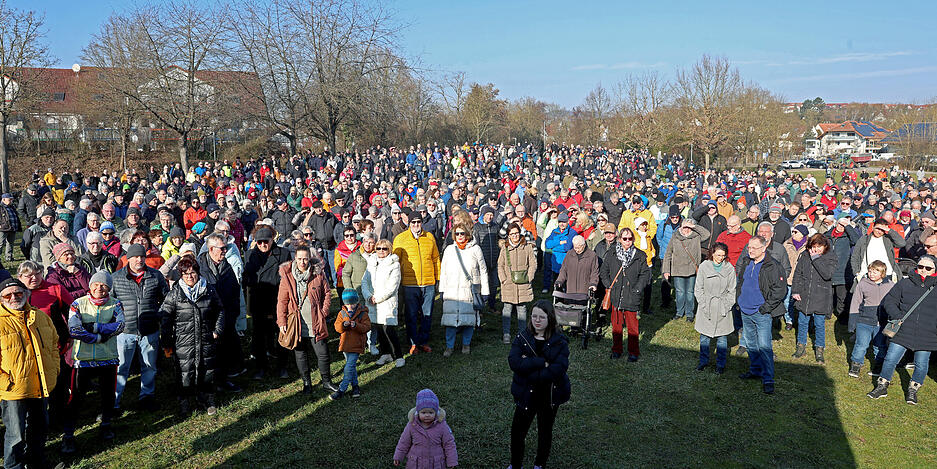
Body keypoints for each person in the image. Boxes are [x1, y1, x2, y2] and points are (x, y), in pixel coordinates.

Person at [0, 277, 60, 469]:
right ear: (1, 299)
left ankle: (37, 463)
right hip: (13, 389)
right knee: (15, 433)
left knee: (39, 428)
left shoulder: (40, 316)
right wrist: (5, 383)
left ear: (26, 294)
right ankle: (14, 466)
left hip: (40, 383)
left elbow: (53, 345)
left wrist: (54, 368)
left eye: (18, 293)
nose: (13, 297)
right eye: (7, 295)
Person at [64, 271, 124, 448]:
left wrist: (94, 327)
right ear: (90, 286)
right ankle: (68, 435)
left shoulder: (116, 304)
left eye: (104, 285)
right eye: (96, 284)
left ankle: (106, 425)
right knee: (76, 398)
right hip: (82, 359)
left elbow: (120, 325)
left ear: (109, 288)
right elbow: (74, 330)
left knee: (107, 396)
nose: (100, 288)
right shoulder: (77, 304)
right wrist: (99, 336)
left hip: (108, 357)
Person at [508, 300, 570, 469]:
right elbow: (514, 362)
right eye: (534, 316)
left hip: (549, 395)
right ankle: (515, 465)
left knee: (545, 431)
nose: (537, 320)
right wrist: (542, 362)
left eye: (541, 317)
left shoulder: (559, 341)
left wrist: (528, 364)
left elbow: (558, 369)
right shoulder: (523, 337)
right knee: (517, 432)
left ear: (550, 318)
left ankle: (539, 464)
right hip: (526, 393)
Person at [867, 255, 937, 404]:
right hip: (903, 329)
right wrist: (898, 316)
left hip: (927, 333)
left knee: (921, 365)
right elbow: (889, 301)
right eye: (920, 267)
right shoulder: (905, 283)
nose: (923, 270)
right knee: (890, 359)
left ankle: (913, 389)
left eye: (928, 268)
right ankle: (882, 386)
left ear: (934, 270)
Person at [160, 257, 224, 416]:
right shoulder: (174, 294)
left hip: (206, 337)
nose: (190, 276)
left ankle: (207, 399)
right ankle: (185, 402)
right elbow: (165, 318)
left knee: (207, 369)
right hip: (183, 341)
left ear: (198, 273)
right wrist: (167, 341)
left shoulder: (208, 290)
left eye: (193, 272)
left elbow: (220, 310)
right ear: (181, 275)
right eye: (185, 273)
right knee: (184, 371)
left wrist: (217, 330)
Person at [112, 243, 169, 413]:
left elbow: (166, 299)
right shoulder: (116, 278)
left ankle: (146, 396)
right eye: (135, 256)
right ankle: (114, 402)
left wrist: (158, 315)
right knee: (121, 368)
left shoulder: (155, 276)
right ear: (128, 258)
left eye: (142, 256)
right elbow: (110, 302)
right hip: (125, 331)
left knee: (149, 365)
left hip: (149, 329)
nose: (139, 259)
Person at [276, 245, 339, 394]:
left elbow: (327, 293)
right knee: (301, 354)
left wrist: (323, 312)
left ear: (309, 258)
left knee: (323, 353)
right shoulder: (287, 276)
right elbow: (282, 301)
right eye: (299, 259)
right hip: (297, 323)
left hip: (315, 321)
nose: (302, 262)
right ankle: (307, 384)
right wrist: (282, 322)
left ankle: (326, 381)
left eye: (305, 258)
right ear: (295, 259)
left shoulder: (318, 274)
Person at [735, 236, 787, 395]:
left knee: (764, 346)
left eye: (754, 248)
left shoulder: (773, 266)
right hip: (745, 310)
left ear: (764, 248)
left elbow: (780, 290)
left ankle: (768, 379)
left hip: (761, 312)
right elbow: (741, 282)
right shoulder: (746, 262)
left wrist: (765, 308)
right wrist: (739, 301)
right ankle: (755, 370)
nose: (750, 250)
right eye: (749, 247)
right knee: (750, 343)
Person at [243, 226, 292, 380]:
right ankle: (261, 367)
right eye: (260, 242)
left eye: (266, 241)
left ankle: (282, 366)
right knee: (259, 336)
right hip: (258, 301)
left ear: (272, 240)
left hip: (278, 300)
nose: (263, 245)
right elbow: (246, 279)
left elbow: (288, 278)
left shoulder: (283, 254)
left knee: (281, 333)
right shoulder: (250, 255)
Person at [198, 234, 243, 392]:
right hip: (206, 318)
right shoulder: (199, 266)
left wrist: (233, 314)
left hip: (226, 317)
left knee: (224, 350)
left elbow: (234, 291)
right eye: (222, 248)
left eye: (226, 247)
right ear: (211, 249)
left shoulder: (226, 266)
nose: (225, 251)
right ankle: (208, 385)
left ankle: (223, 380)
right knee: (207, 353)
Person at [599, 227, 651, 361]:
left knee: (632, 327)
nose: (627, 241)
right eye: (625, 239)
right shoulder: (612, 253)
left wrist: (638, 289)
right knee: (616, 326)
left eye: (630, 238)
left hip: (632, 295)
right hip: (616, 294)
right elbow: (604, 271)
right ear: (620, 239)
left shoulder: (639, 255)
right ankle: (616, 350)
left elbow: (645, 274)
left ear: (633, 239)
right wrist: (608, 285)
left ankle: (633, 352)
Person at [393, 209, 440, 354]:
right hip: (410, 283)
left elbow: (436, 259)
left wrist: (437, 278)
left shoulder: (430, 237)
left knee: (427, 314)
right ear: (409, 223)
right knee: (411, 314)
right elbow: (395, 262)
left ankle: (423, 341)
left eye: (418, 222)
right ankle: (413, 342)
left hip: (428, 282)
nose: (416, 224)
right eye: (413, 222)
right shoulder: (400, 239)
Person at [438, 222, 489, 356]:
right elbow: (443, 271)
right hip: (452, 291)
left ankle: (466, 344)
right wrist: (442, 290)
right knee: (450, 320)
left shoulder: (475, 249)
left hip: (469, 290)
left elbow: (483, 270)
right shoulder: (449, 250)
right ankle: (450, 346)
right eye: (457, 233)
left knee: (468, 320)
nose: (460, 236)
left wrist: (485, 291)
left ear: (467, 234)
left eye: (462, 233)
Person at [791, 234, 836, 364]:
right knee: (802, 322)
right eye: (813, 247)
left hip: (821, 296)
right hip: (804, 295)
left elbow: (827, 274)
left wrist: (816, 258)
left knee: (819, 324)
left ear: (825, 246)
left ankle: (819, 349)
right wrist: (795, 291)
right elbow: (798, 274)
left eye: (819, 247)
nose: (815, 250)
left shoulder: (831, 257)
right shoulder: (804, 256)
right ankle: (801, 346)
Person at [362, 239, 405, 368]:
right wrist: (369, 296)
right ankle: (386, 353)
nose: (381, 251)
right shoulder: (371, 262)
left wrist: (378, 298)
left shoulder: (394, 264)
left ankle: (399, 355)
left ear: (389, 250)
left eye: (384, 249)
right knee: (379, 329)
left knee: (389, 330)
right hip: (373, 302)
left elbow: (393, 286)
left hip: (386, 302)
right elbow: (365, 281)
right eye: (379, 248)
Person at [694, 243, 736, 373]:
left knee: (722, 338)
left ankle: (720, 365)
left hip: (723, 307)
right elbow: (698, 288)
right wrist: (703, 303)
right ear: (712, 253)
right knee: (704, 337)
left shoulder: (729, 269)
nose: (721, 258)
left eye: (723, 255)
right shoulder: (703, 266)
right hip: (706, 306)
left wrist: (727, 305)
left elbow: (732, 290)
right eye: (718, 255)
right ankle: (703, 361)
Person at [847, 260, 893, 378]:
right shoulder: (862, 284)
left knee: (880, 345)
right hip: (864, 321)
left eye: (875, 272)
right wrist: (852, 322)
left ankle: (878, 366)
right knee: (861, 344)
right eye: (870, 271)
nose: (871, 274)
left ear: (882, 273)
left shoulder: (890, 285)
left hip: (881, 323)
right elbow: (856, 302)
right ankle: (856, 364)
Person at [393, 389, 458, 468]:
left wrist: (452, 461)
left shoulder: (442, 426)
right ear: (418, 412)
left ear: (436, 412)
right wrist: (398, 456)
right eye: (423, 413)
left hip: (435, 464)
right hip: (416, 464)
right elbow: (404, 442)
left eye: (431, 412)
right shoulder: (411, 425)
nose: (427, 415)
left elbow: (449, 444)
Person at [497, 223, 538, 344]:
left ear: (520, 233)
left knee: (522, 309)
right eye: (512, 234)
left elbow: (533, 264)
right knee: (507, 309)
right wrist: (503, 279)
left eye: (516, 233)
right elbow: (500, 265)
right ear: (508, 235)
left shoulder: (528, 247)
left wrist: (529, 277)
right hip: (508, 283)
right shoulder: (505, 248)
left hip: (523, 283)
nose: (514, 236)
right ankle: (506, 334)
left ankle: (522, 334)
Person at [662, 218, 709, 322]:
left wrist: (694, 226)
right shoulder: (675, 237)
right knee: (680, 292)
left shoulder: (696, 236)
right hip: (678, 270)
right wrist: (666, 270)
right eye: (685, 227)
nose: (686, 230)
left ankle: (689, 314)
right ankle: (679, 312)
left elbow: (707, 234)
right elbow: (668, 253)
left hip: (692, 270)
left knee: (690, 292)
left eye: (689, 228)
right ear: (681, 227)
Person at [329, 289, 371, 400]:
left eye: (352, 303)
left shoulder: (363, 313)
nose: (350, 306)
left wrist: (355, 325)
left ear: (357, 302)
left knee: (348, 368)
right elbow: (337, 328)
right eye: (347, 304)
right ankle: (355, 386)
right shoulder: (342, 313)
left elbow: (367, 327)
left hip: (356, 345)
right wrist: (343, 325)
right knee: (351, 367)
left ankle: (341, 390)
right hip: (345, 345)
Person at [544, 212, 574, 294]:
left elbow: (567, 247)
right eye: (560, 222)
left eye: (564, 222)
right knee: (556, 286)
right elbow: (547, 244)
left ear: (567, 222)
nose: (562, 224)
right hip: (555, 263)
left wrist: (555, 246)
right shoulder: (554, 231)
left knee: (565, 287)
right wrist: (560, 242)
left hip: (566, 264)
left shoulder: (572, 233)